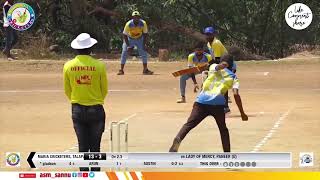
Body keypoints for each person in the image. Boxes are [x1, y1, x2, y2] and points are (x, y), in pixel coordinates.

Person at [169, 54, 247, 153]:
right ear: (232, 65)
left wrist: (219, 66)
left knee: (189, 124)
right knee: (223, 130)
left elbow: (217, 67)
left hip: (201, 101)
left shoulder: (212, 67)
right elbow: (236, 95)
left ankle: (178, 138)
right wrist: (242, 113)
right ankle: (227, 155)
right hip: (217, 105)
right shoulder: (234, 77)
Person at [63, 33, 108, 171]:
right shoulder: (99, 65)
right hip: (96, 109)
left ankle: (83, 175)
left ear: (76, 49)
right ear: (91, 48)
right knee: (95, 148)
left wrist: (78, 99)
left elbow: (67, 90)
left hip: (77, 109)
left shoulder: (68, 66)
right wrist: (94, 98)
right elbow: (104, 89)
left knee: (82, 147)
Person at [204, 27, 236, 113]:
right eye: (207, 34)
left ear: (214, 34)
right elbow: (214, 58)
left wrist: (208, 65)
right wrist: (209, 64)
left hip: (228, 65)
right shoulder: (208, 44)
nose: (208, 36)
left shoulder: (216, 43)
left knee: (222, 85)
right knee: (215, 83)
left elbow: (218, 59)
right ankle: (217, 105)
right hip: (221, 64)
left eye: (210, 34)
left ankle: (225, 107)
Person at [118, 11, 153, 75]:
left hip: (140, 38)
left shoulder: (143, 23)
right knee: (124, 52)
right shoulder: (128, 24)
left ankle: (145, 70)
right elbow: (124, 35)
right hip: (129, 38)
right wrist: (128, 46)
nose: (136, 18)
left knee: (144, 52)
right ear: (132, 17)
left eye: (137, 17)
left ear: (139, 17)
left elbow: (145, 34)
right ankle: (121, 70)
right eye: (134, 17)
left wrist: (144, 44)